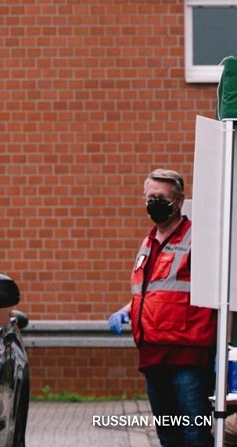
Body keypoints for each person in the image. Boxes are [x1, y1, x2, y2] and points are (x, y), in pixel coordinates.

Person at [108, 168, 217, 447]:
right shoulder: (148, 242)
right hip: (153, 355)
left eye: (161, 197)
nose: (154, 203)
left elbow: (215, 289)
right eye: (150, 197)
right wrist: (127, 310)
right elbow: (151, 293)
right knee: (168, 435)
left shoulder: (198, 238)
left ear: (179, 201)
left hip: (187, 355)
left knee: (194, 433)